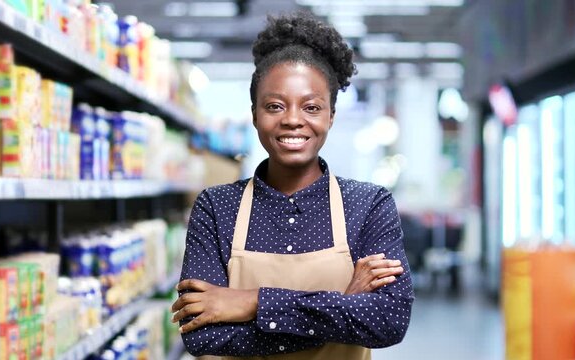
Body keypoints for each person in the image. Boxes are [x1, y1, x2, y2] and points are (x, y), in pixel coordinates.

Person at [171, 13, 414, 359]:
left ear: (330, 115)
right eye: (275, 106)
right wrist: (343, 306)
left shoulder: (367, 205)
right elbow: (200, 335)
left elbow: (388, 321)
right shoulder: (216, 207)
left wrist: (252, 302)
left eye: (311, 107)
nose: (293, 119)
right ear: (254, 113)